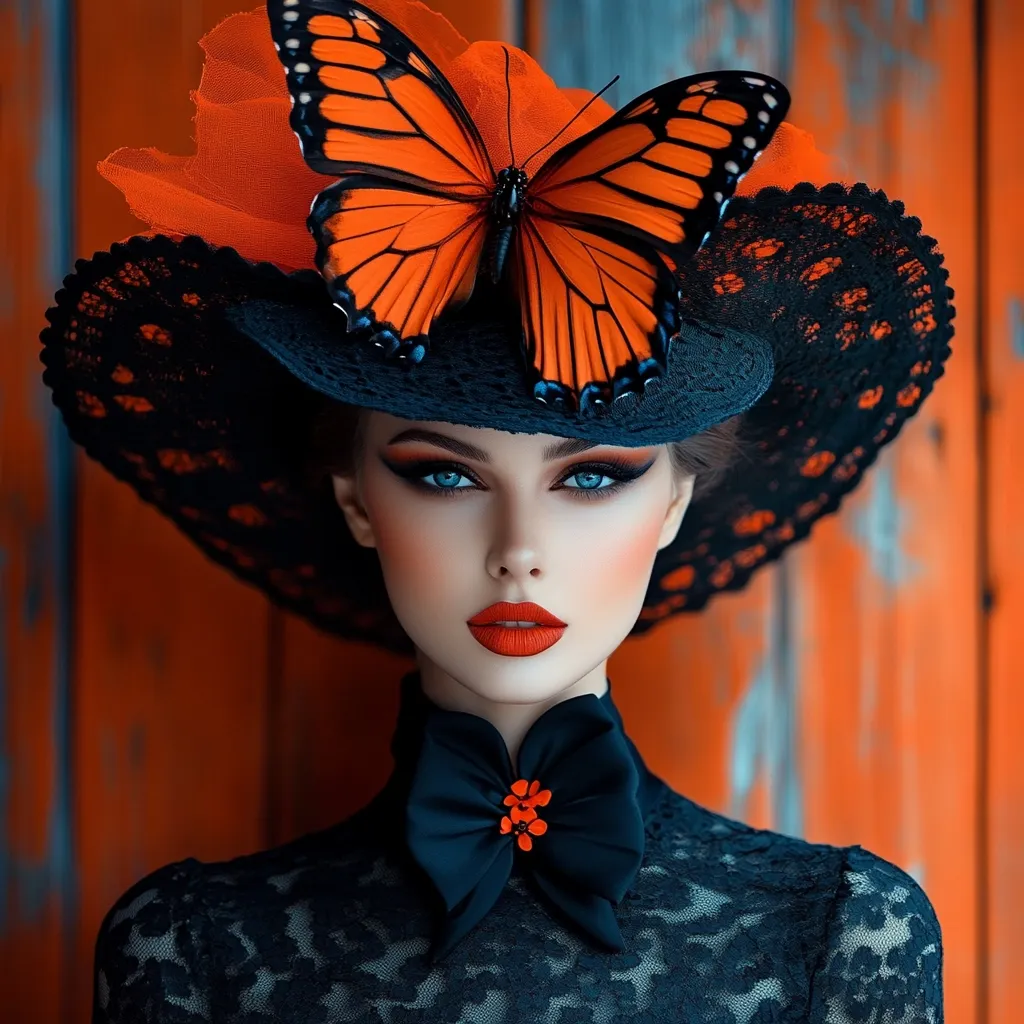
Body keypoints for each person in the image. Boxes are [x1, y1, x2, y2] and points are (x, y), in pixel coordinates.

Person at [40, 1, 951, 1020]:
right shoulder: (191, 947)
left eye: (593, 476)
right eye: (443, 474)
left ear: (674, 503)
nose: (518, 552)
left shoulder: (837, 930)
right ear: (356, 500)